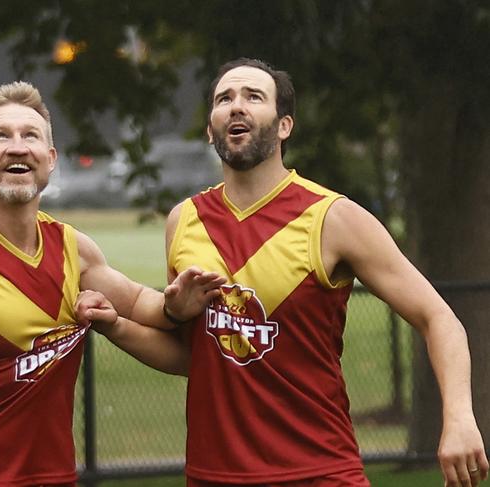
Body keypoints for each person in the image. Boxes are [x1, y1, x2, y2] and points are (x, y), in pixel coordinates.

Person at [76, 58, 489, 487]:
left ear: (284, 125)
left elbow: (439, 319)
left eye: (253, 97)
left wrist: (459, 417)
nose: (236, 106)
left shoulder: (333, 218)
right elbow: (196, 356)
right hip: (213, 476)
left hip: (320, 472)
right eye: (224, 99)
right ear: (210, 129)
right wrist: (116, 327)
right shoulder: (184, 220)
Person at [0, 81, 225, 486]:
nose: (17, 147)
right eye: (1, 136)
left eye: (30, 136)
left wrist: (178, 305)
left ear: (50, 158)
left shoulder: (74, 250)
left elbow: (147, 306)